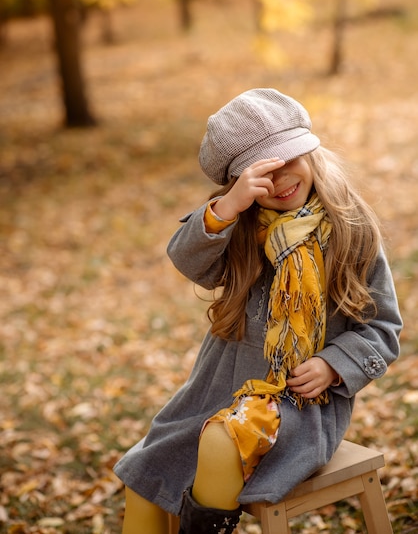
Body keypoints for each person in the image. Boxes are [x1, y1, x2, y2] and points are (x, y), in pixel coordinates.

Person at [114, 88, 402, 534]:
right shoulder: (243, 228)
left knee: (219, 441)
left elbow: (382, 329)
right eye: (262, 174)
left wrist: (333, 365)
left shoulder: (351, 231)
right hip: (214, 393)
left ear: (310, 152)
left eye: (289, 159)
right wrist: (227, 208)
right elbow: (189, 261)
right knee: (145, 469)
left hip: (298, 403)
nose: (281, 179)